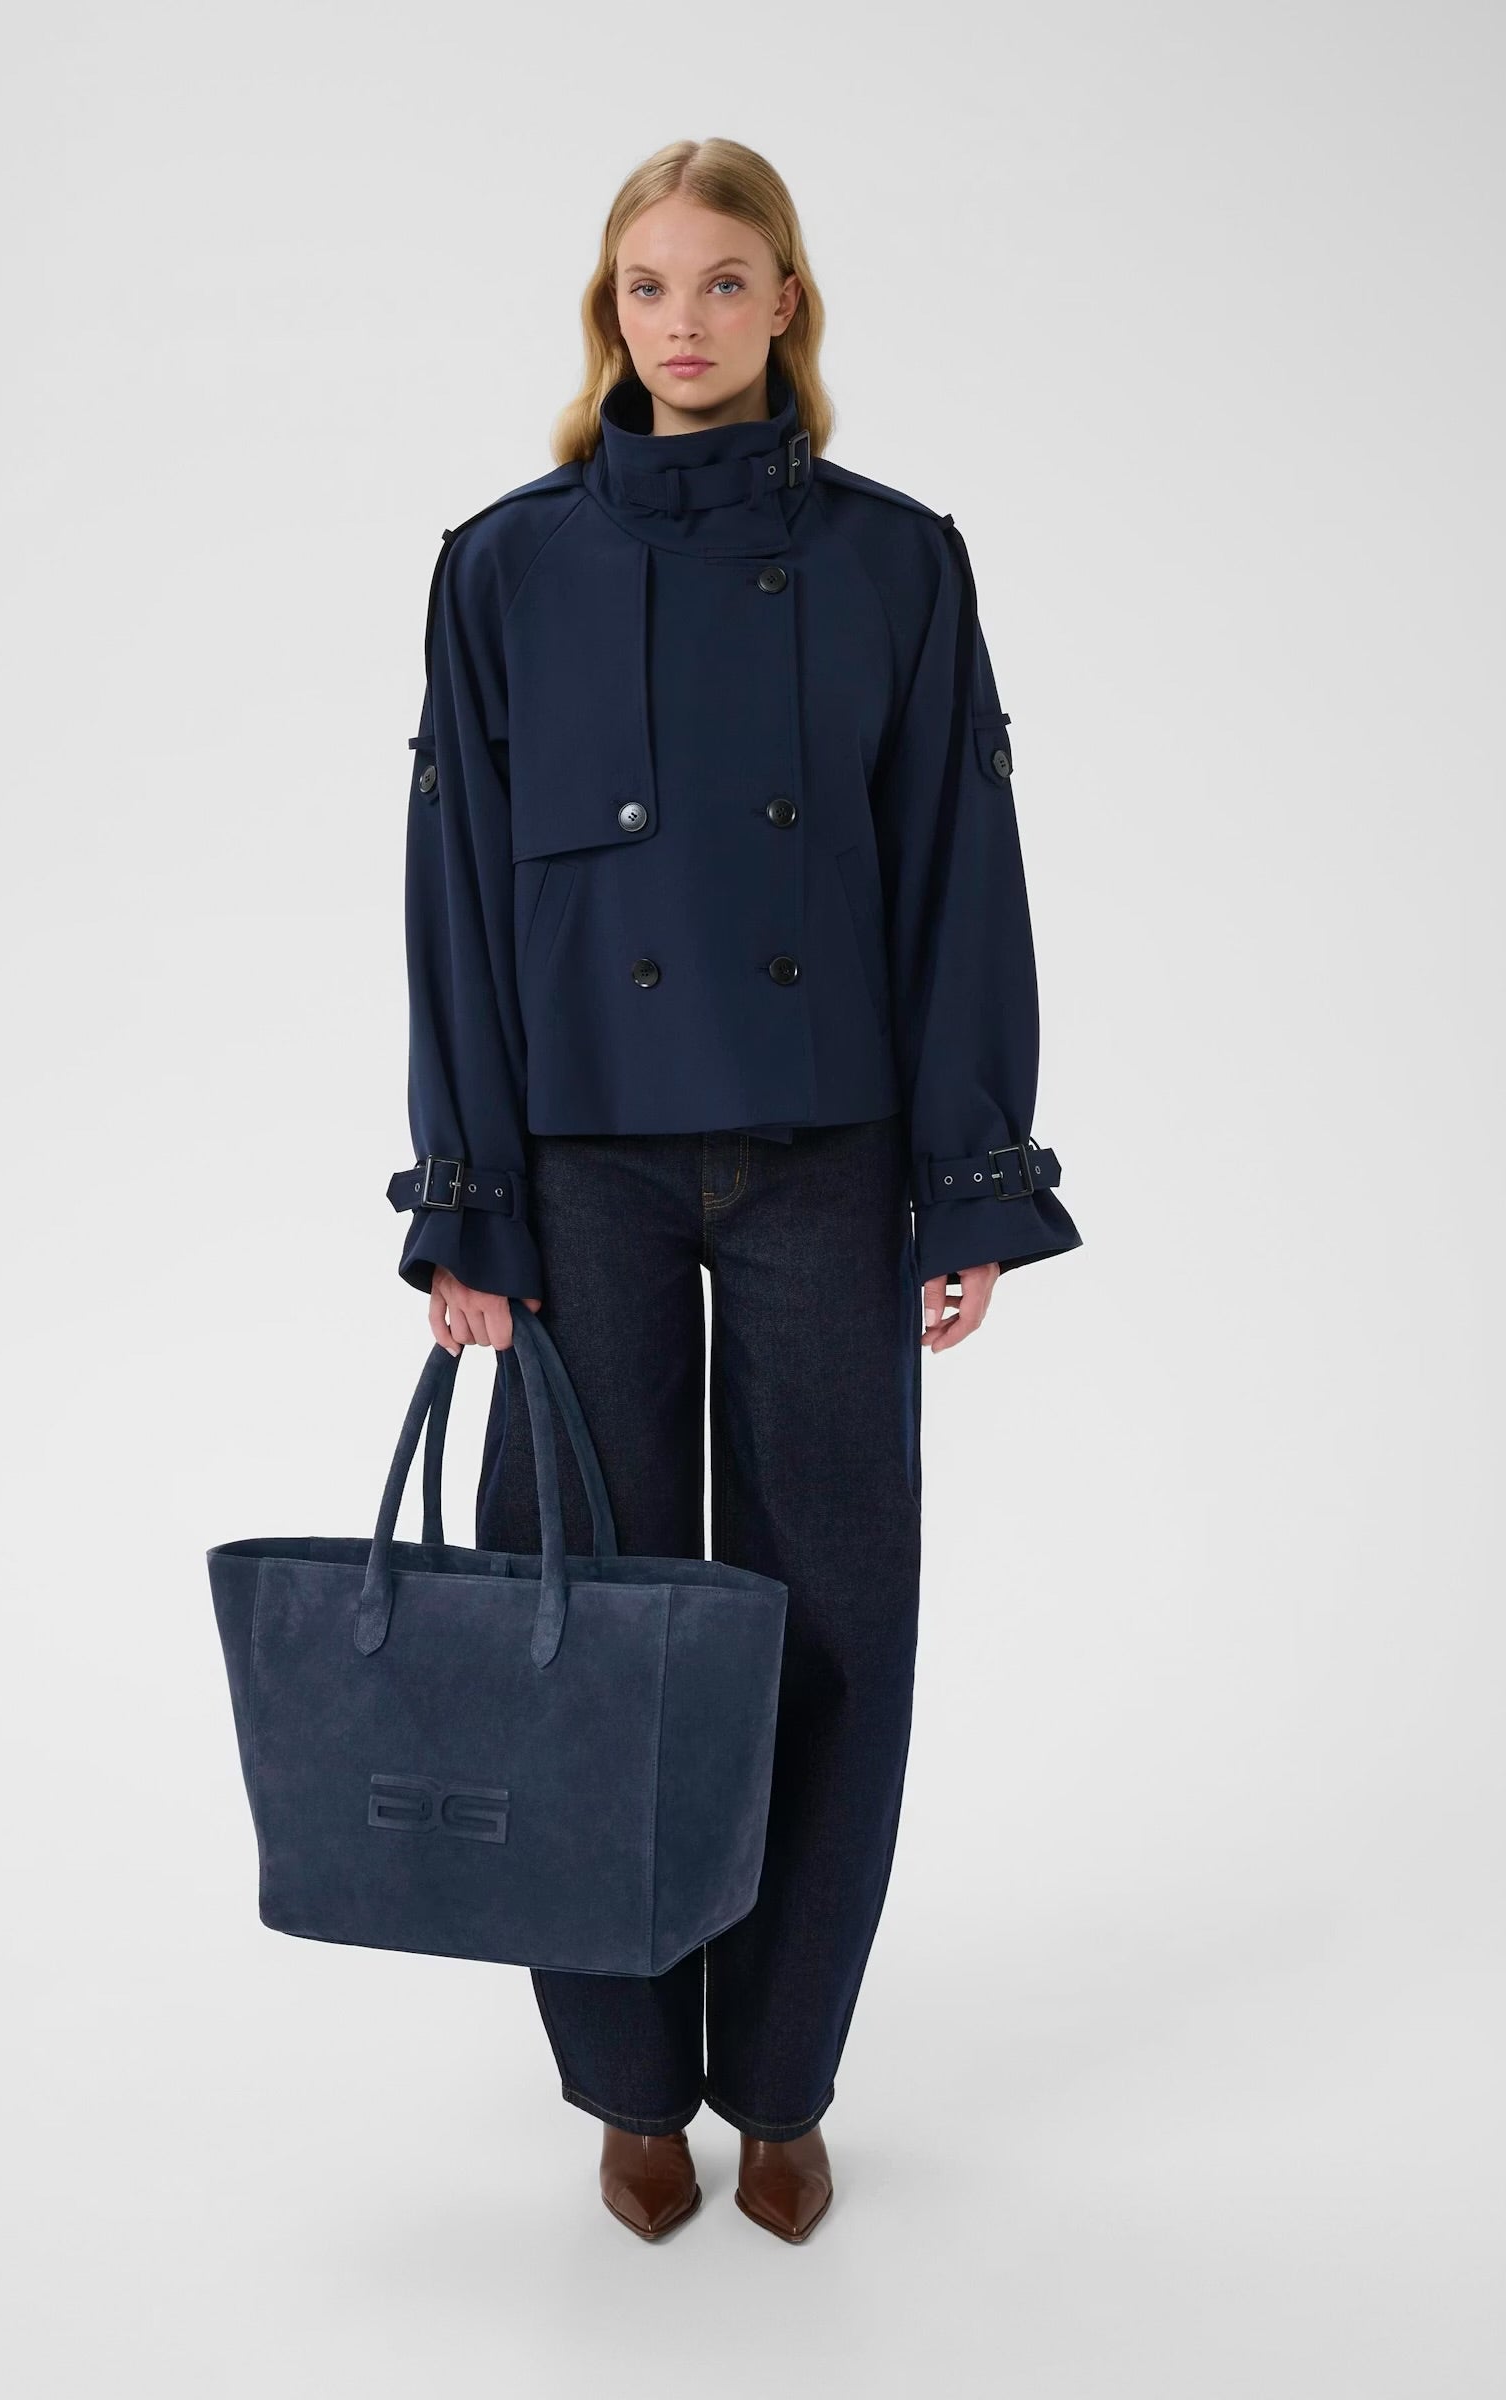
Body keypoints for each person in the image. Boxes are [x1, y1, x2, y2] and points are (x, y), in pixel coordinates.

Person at [385, 136, 1082, 2243]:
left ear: (786, 302)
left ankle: (781, 2080)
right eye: (643, 286)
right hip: (578, 1159)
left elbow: (958, 870)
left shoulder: (894, 561)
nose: (678, 321)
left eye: (719, 280)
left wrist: (968, 1173)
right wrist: (468, 1201)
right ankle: (626, 2081)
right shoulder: (502, 567)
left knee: (835, 1617)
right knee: (575, 1622)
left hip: (827, 1154)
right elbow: (451, 899)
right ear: (604, 315)